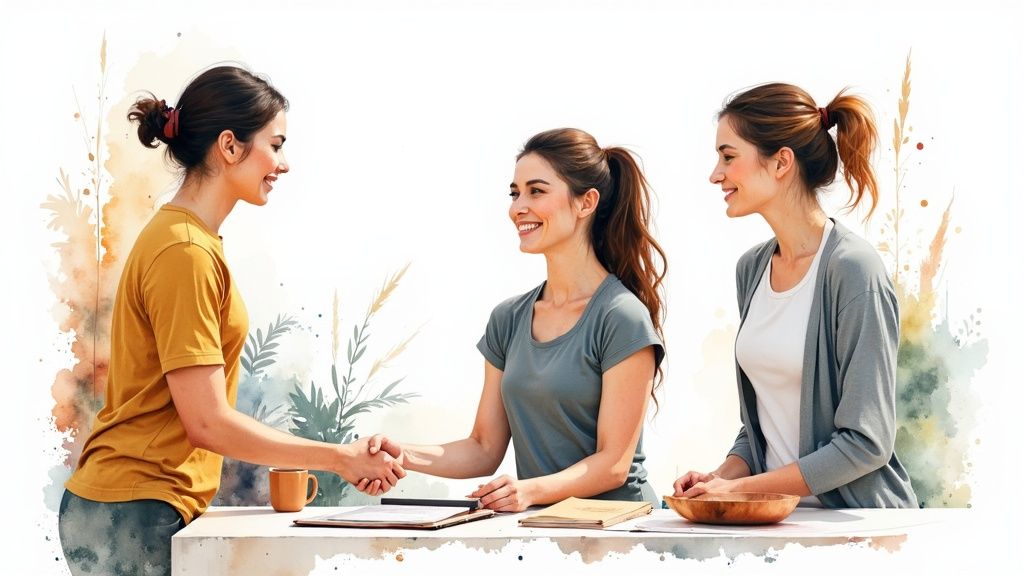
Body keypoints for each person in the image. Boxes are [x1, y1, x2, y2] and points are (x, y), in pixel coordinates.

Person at [58, 65, 405, 576]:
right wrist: (340, 458)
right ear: (229, 146)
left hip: (133, 508)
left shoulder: (188, 241)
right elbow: (207, 421)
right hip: (132, 512)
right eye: (276, 144)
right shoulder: (184, 252)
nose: (283, 164)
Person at [369, 128, 667, 512]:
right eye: (515, 193)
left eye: (536, 191)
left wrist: (528, 492)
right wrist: (399, 453)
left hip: (619, 532)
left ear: (586, 202)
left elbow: (613, 465)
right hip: (543, 527)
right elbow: (483, 448)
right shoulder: (507, 319)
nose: (517, 207)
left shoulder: (621, 317)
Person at [673, 82, 918, 508]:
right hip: (776, 522)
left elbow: (866, 442)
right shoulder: (751, 269)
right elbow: (763, 425)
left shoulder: (853, 271)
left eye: (728, 157)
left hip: (859, 528)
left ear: (781, 161)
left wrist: (738, 491)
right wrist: (720, 477)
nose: (716, 174)